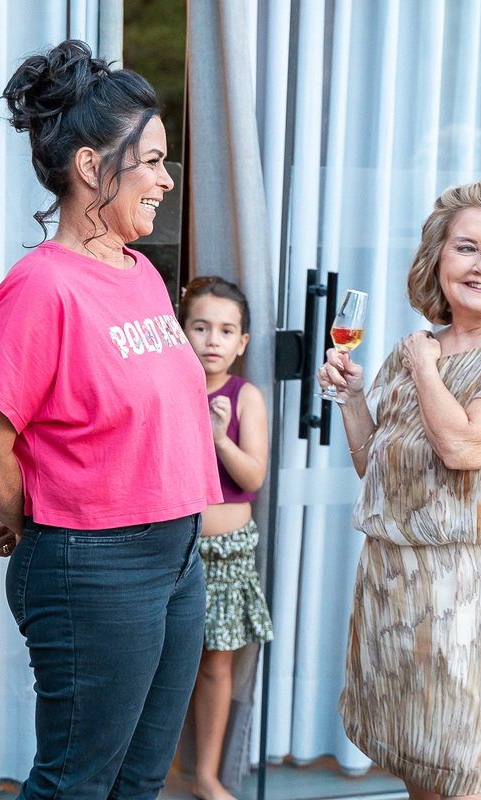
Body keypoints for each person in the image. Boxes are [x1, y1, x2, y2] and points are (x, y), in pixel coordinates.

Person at [0, 40, 222, 800]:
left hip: (178, 555)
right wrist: (39, 518)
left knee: (139, 779)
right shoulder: (41, 288)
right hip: (99, 567)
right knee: (76, 783)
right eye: (153, 162)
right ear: (90, 167)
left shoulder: (141, 274)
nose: (167, 180)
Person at [317, 180, 481, 800]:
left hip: (474, 595)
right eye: (467, 247)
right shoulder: (417, 351)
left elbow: (462, 448)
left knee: (464, 772)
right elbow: (379, 473)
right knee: (420, 765)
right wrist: (353, 398)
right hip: (394, 590)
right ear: (437, 258)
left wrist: (422, 366)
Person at [177, 277, 274, 800]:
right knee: (157, 663)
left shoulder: (245, 397)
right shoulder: (169, 389)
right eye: (201, 327)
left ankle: (207, 776)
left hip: (228, 552)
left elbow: (253, 476)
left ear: (242, 342)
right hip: (173, 549)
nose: (213, 340)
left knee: (216, 665)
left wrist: (219, 438)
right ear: (180, 331)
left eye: (226, 330)